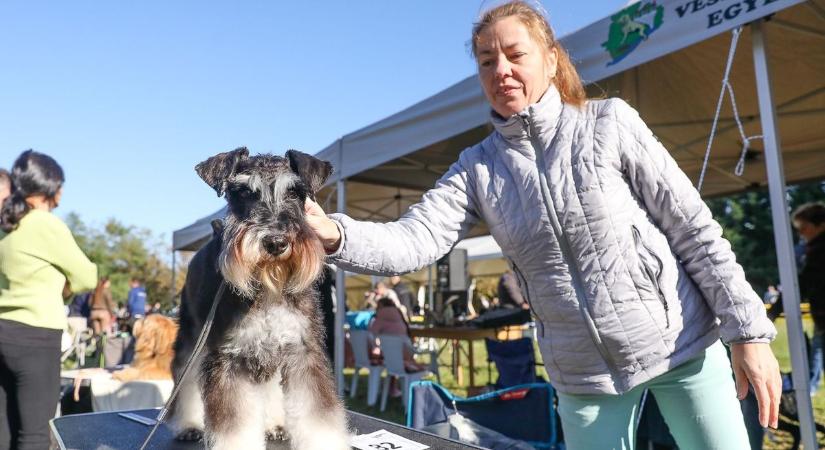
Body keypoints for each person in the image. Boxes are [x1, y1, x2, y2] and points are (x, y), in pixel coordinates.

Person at [303, 2, 781, 448]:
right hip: (582, 377)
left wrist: (749, 333)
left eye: (515, 55)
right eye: (487, 61)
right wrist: (335, 233)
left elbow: (694, 231)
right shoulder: (477, 168)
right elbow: (412, 240)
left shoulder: (610, 123)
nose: (501, 71)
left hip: (684, 348)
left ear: (551, 60)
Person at [0, 150, 97, 450]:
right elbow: (88, 276)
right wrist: (64, 284)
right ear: (51, 186)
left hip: (3, 332)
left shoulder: (6, 225)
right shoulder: (45, 224)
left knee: (4, 431)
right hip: (36, 337)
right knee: (34, 435)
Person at [791, 202, 825, 394]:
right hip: (821, 318)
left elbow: (803, 282)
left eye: (804, 228)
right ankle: (809, 389)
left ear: (820, 225)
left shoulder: (818, 251)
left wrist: (776, 309)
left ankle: (808, 390)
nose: (802, 234)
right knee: (816, 354)